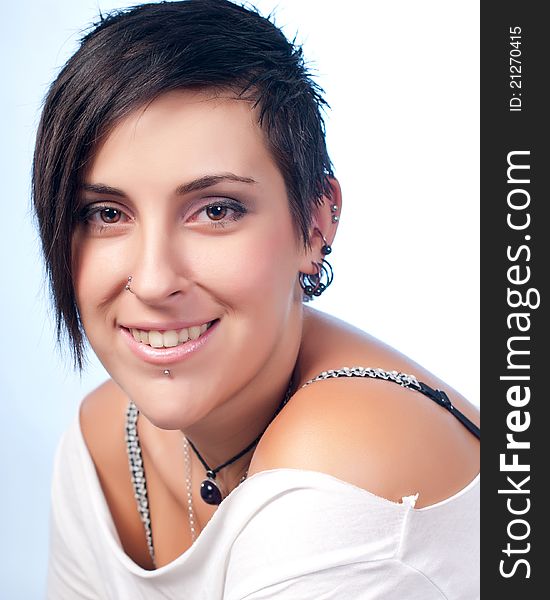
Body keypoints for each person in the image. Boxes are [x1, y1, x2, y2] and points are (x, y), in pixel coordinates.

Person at [33, 1, 480, 598]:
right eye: (108, 213)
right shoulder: (102, 444)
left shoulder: (344, 461)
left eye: (216, 210)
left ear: (317, 223)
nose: (154, 278)